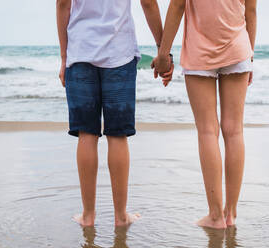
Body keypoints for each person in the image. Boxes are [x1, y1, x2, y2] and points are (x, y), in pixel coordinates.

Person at [56, 0, 173, 227]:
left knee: (86, 135)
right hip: (119, 52)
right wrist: (162, 50)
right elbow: (148, 2)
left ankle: (88, 216)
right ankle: (121, 216)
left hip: (80, 51)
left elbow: (63, 4)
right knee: (117, 136)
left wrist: (64, 57)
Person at [153, 0, 257, 229]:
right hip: (238, 48)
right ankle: (230, 214)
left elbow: (178, 5)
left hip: (199, 51)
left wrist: (163, 54)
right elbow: (251, 10)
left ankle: (215, 216)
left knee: (208, 132)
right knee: (234, 131)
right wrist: (250, 55)